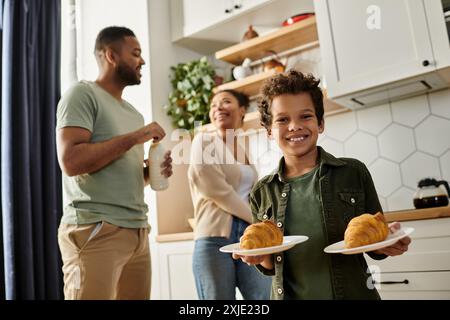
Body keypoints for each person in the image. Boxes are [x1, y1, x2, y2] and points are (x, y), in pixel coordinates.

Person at [233, 70, 411, 300]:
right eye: (282, 119)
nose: (294, 126)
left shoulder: (353, 172)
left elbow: (374, 242)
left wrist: (388, 243)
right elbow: (269, 262)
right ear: (269, 131)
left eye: (305, 116)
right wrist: (254, 256)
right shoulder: (262, 191)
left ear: (321, 123)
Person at [56, 26, 173, 300]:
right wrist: (136, 137)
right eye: (135, 54)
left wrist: (148, 172)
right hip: (96, 229)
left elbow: (116, 174)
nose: (142, 61)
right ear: (111, 55)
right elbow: (71, 162)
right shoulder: (82, 95)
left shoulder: (133, 113)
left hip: (137, 232)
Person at [188, 89, 271, 300]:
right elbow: (214, 188)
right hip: (214, 238)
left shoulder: (242, 148)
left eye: (226, 102)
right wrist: (256, 220)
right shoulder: (203, 141)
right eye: (214, 105)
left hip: (249, 237)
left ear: (242, 110)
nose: (218, 108)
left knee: (264, 298)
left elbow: (251, 194)